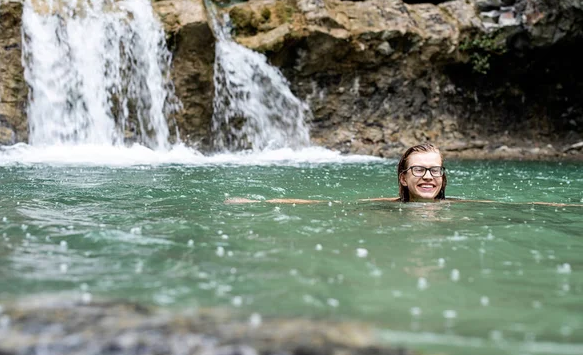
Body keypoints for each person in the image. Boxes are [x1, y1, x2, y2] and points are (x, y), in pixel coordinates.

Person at [225, 143, 582, 207]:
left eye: (435, 169)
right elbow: (324, 202)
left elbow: (524, 206)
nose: (428, 176)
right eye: (419, 169)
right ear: (403, 178)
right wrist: (260, 201)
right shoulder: (388, 206)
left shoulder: (458, 206)